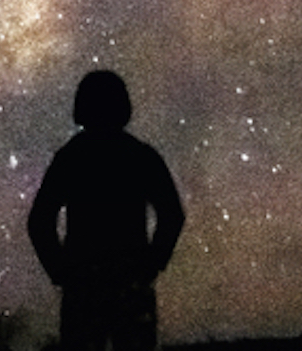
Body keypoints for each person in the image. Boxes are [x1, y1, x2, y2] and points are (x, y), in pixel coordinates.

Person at [27, 70, 185, 351]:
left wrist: (61, 271)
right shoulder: (140, 155)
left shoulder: (71, 158)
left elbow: (40, 220)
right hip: (130, 278)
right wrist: (152, 262)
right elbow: (171, 213)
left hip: (84, 281)